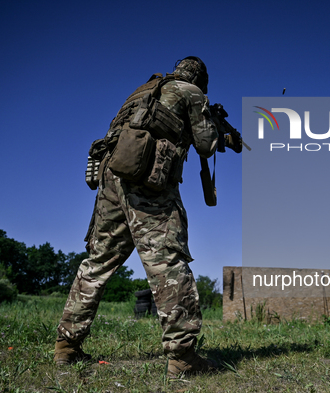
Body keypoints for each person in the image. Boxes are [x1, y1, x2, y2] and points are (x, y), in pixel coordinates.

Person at [54, 56, 219, 377]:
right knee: (167, 261)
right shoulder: (191, 91)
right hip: (148, 178)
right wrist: (215, 129)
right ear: (200, 78)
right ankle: (183, 357)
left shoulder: (143, 91)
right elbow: (206, 144)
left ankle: (67, 347)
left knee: (98, 261)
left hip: (112, 174)